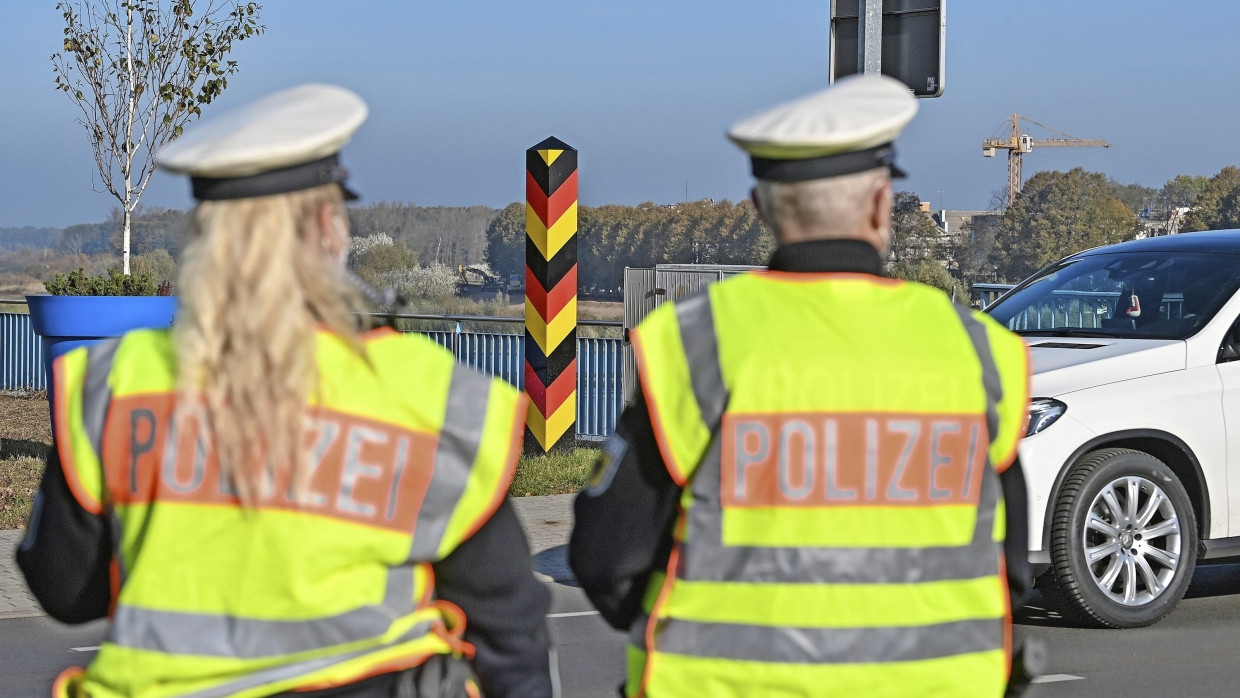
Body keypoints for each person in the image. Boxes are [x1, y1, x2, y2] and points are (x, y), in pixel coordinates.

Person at [17, 84, 557, 698]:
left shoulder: (118, 382)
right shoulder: (424, 395)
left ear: (202, 240)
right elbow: (509, 630)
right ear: (330, 229)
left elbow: (63, 588)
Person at [569, 74, 1032, 697]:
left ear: (763, 210)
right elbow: (1009, 567)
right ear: (879, 205)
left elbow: (607, 558)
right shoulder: (975, 351)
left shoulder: (699, 343)